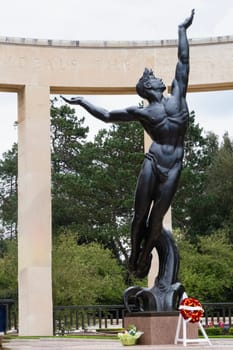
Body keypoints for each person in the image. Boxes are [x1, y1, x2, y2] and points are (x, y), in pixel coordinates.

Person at [61, 10, 195, 279]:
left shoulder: (177, 95)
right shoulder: (143, 112)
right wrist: (83, 102)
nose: (158, 77)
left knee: (156, 220)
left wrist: (182, 30)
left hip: (174, 165)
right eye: (153, 77)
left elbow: (183, 60)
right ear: (149, 86)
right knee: (139, 215)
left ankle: (145, 257)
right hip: (153, 161)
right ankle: (135, 254)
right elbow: (108, 116)